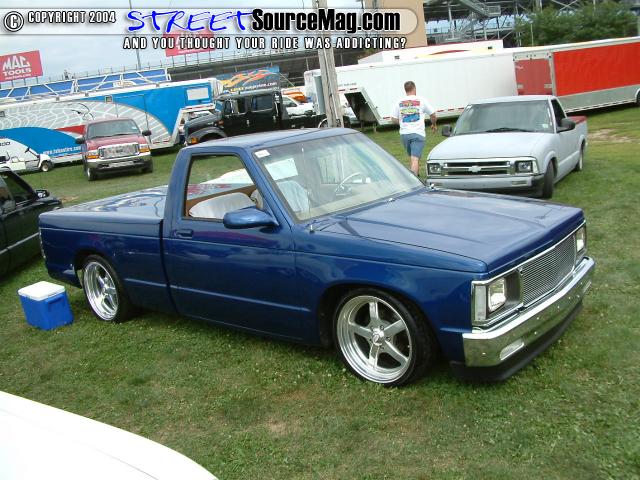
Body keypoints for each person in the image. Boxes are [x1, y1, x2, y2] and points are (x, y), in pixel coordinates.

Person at [391, 81, 437, 178]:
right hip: (417, 133)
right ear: (414, 88)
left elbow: (393, 119)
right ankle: (414, 181)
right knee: (415, 159)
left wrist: (403, 123)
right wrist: (433, 124)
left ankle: (417, 175)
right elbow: (433, 115)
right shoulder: (421, 100)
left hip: (404, 135)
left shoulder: (399, 102)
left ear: (405, 90)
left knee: (412, 157)